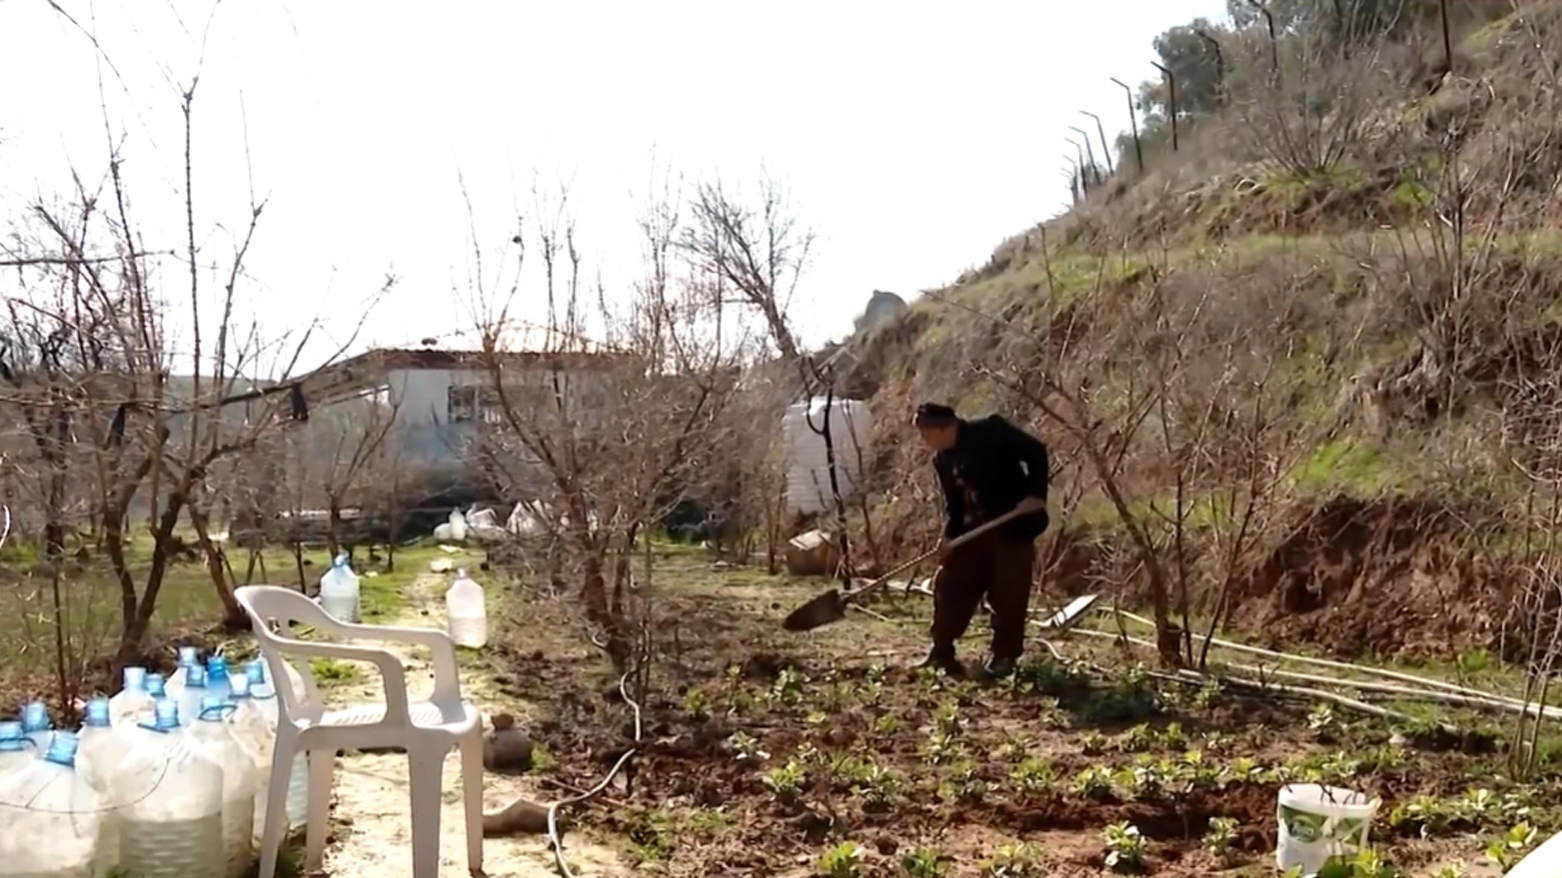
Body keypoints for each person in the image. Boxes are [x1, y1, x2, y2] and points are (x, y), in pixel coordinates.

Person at [913, 402, 1050, 678]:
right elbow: (954, 505)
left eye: (925, 433)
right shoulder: (942, 459)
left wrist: (1036, 494)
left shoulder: (991, 432)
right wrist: (949, 537)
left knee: (1008, 594)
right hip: (971, 533)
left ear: (943, 428)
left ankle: (1003, 658)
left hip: (1012, 526)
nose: (923, 440)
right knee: (949, 585)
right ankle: (942, 650)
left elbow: (1036, 452)